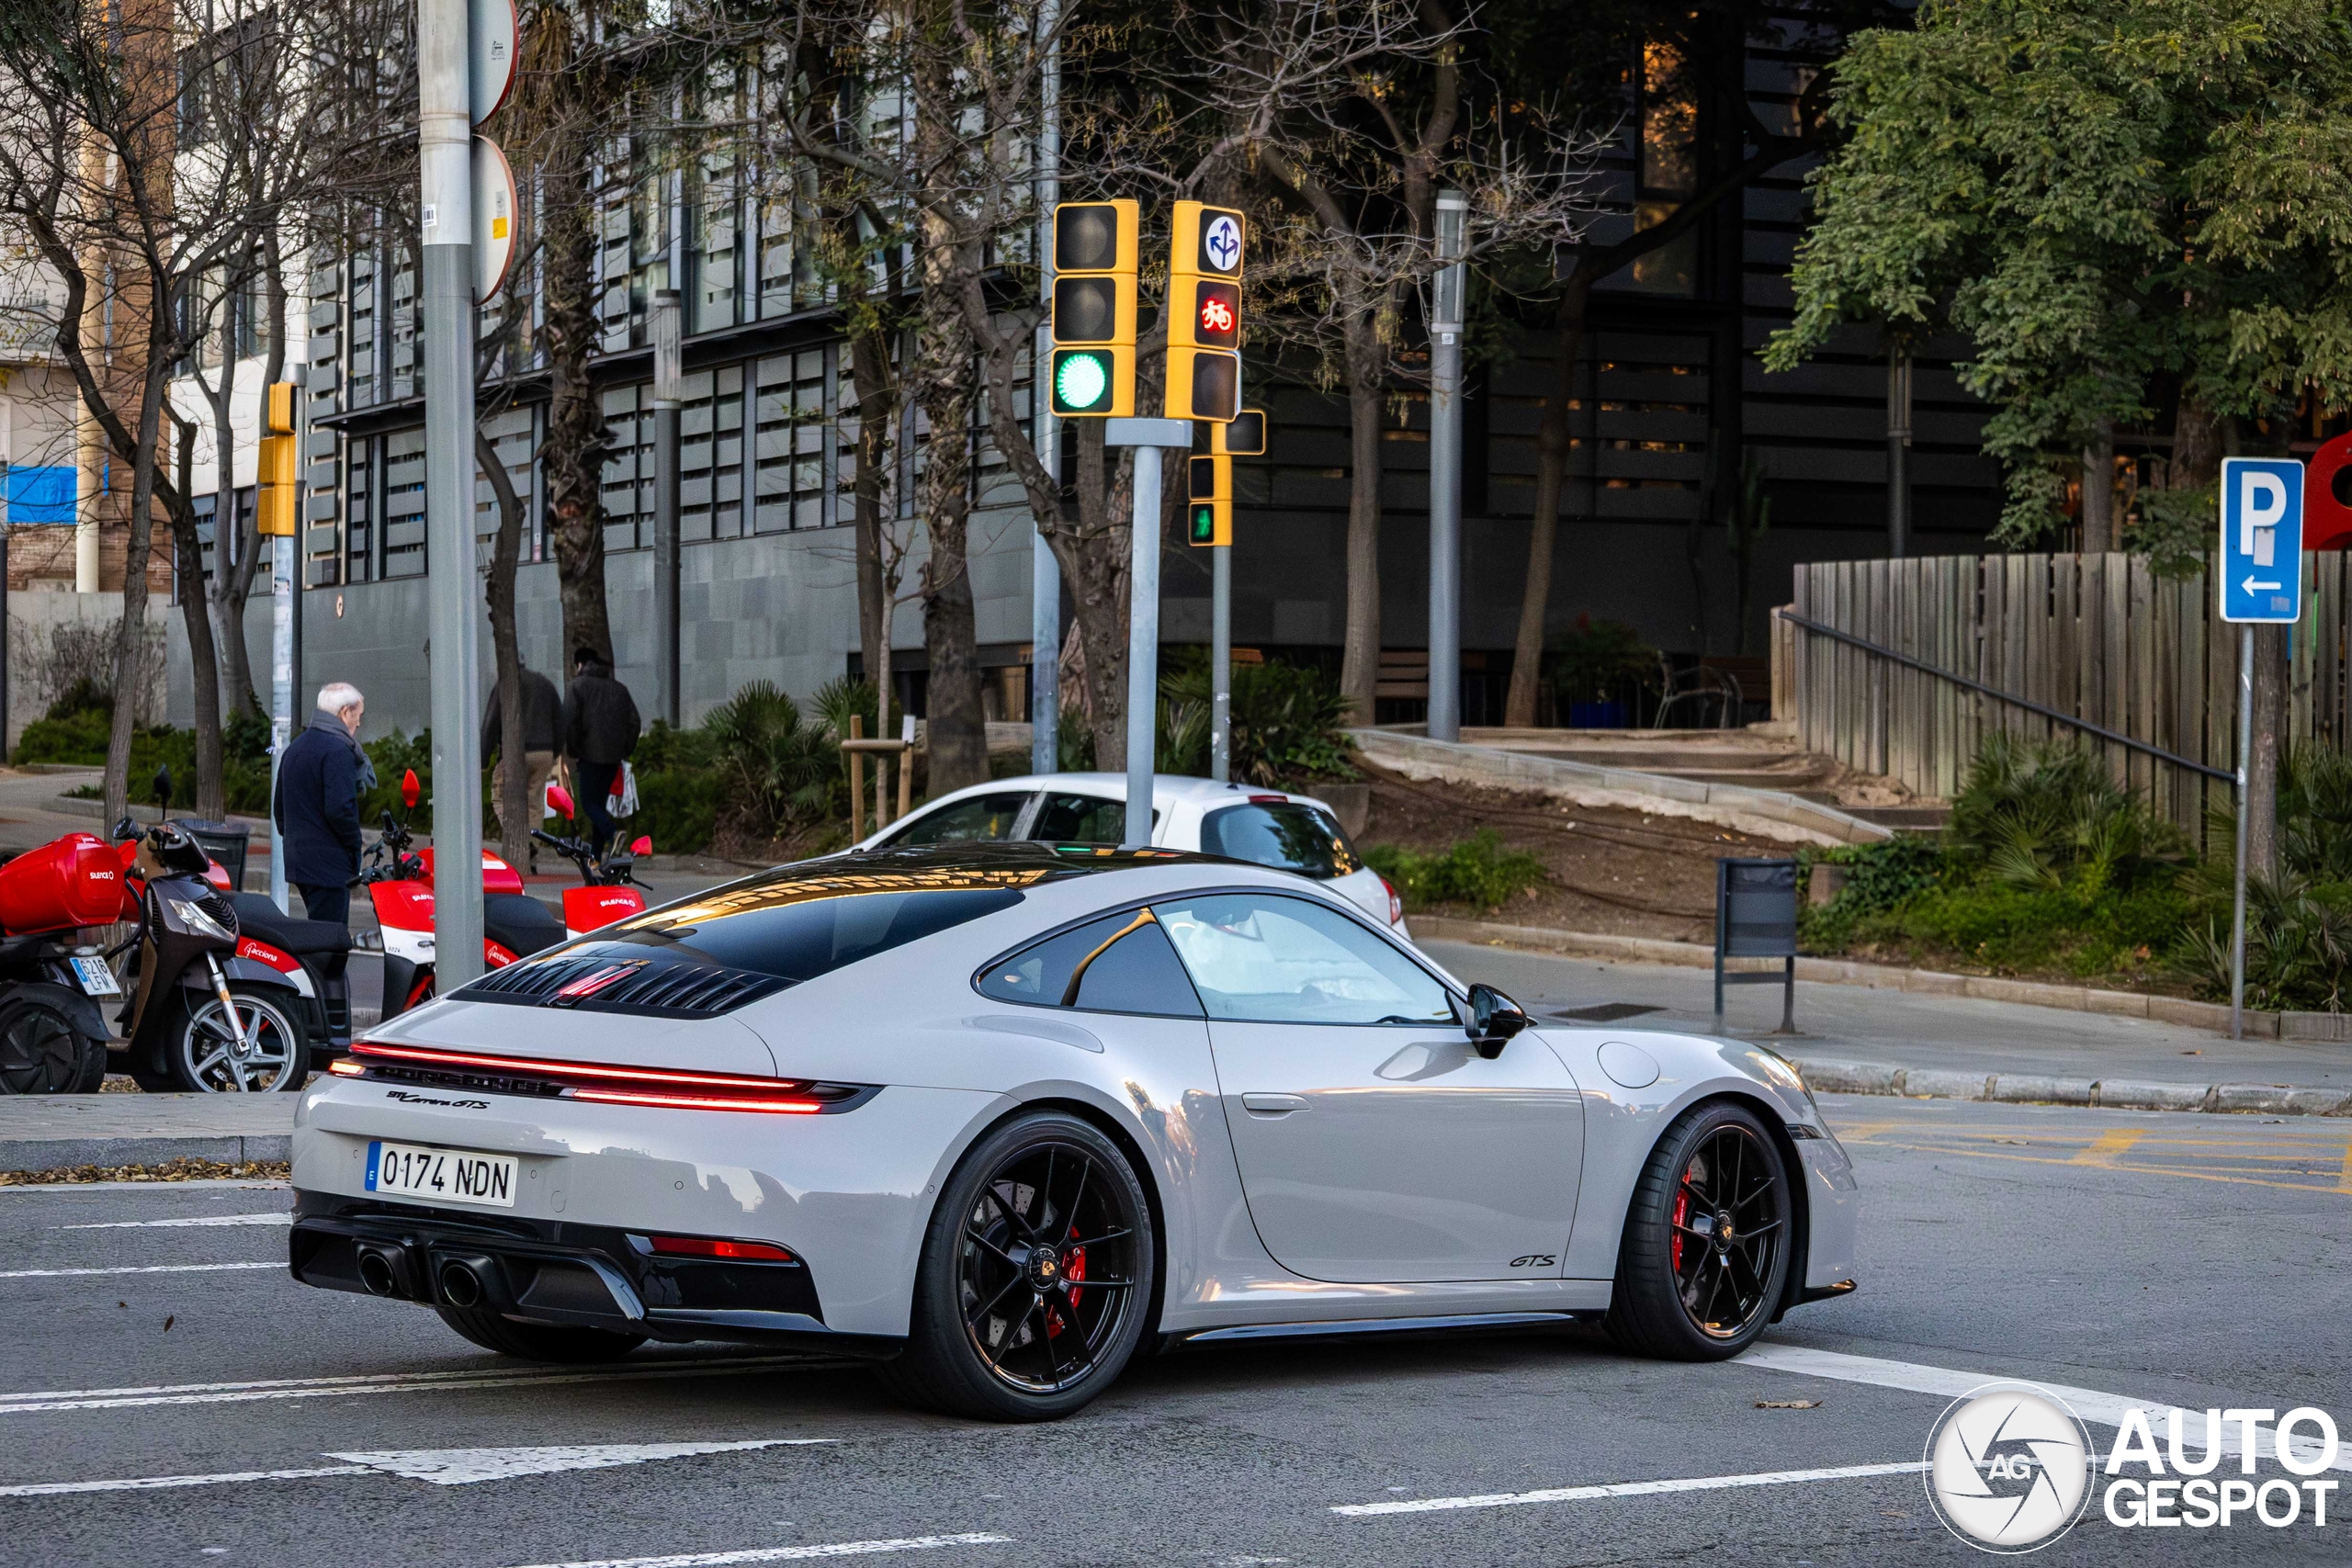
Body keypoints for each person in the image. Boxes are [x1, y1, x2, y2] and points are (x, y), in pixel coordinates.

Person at [273, 682, 371, 926]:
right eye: (358, 715)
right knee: (331, 945)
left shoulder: (296, 748)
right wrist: (353, 847)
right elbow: (340, 809)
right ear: (344, 712)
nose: (359, 723)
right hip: (329, 864)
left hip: (300, 861)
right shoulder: (338, 750)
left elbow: (279, 809)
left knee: (319, 938)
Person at [561, 646, 641, 851]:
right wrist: (625, 749)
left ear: (580, 664)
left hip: (589, 756)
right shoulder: (620, 689)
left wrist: (574, 749)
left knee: (588, 803)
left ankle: (612, 832)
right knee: (600, 804)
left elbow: (569, 721)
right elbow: (634, 722)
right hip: (613, 758)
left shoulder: (577, 686)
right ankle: (597, 856)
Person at [481, 661, 563, 854]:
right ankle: (532, 842)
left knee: (500, 796)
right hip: (544, 751)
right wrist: (554, 751)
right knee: (534, 800)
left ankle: (517, 837)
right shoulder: (545, 683)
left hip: (514, 753)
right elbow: (560, 721)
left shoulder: (505, 684)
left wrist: (484, 760)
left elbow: (490, 724)